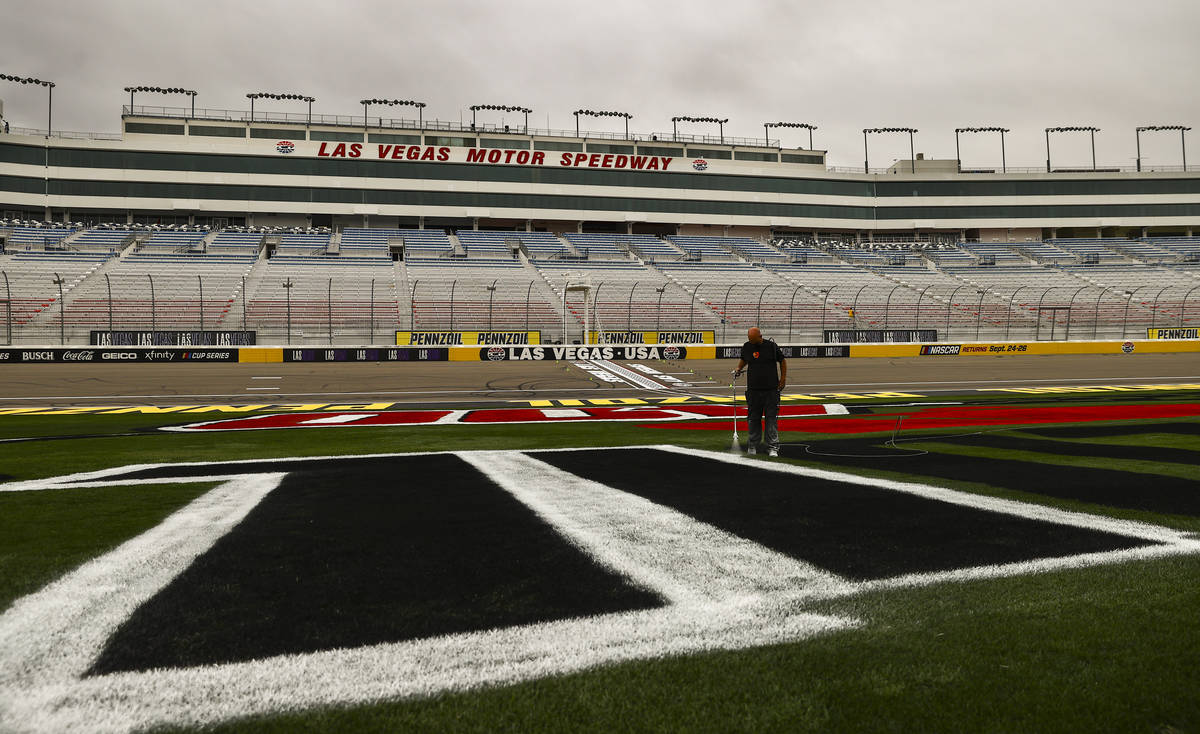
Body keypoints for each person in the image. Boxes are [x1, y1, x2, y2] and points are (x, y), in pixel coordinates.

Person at [732, 327, 787, 456]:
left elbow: (782, 361)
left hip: (771, 389)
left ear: (759, 336)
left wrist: (783, 379)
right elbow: (744, 359)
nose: (751, 343)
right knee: (753, 418)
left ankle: (772, 446)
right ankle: (753, 445)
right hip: (753, 390)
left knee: (771, 419)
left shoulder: (772, 346)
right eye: (749, 340)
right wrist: (738, 368)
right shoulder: (747, 346)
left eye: (753, 340)